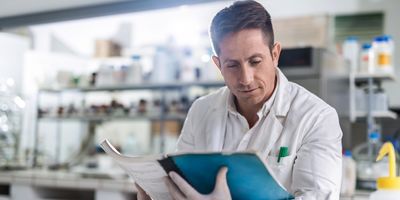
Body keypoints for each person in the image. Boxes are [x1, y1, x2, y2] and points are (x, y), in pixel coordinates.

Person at [137, 0, 342, 199]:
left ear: (275, 54)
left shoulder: (317, 118)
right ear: (218, 65)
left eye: (255, 61)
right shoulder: (201, 111)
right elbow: (185, 183)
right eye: (232, 65)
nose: (246, 79)